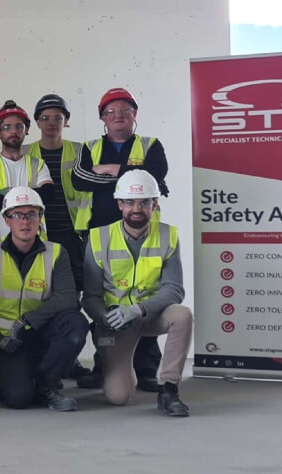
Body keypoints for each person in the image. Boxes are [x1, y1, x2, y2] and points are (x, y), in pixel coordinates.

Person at [71, 88, 171, 391]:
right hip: (99, 232)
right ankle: (105, 366)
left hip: (142, 231)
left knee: (143, 293)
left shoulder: (151, 144)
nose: (118, 116)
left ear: (135, 114)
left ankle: (147, 370)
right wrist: (133, 176)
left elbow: (157, 173)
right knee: (103, 297)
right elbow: (80, 178)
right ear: (102, 117)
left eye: (125, 110)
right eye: (111, 111)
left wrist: (113, 171)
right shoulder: (89, 147)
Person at [0, 187, 86, 411]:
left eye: (31, 214)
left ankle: (48, 385)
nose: (24, 222)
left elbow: (67, 298)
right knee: (18, 399)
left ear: (40, 219)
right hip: (2, 341)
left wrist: (27, 320)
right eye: (17, 215)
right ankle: (14, 381)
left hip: (37, 333)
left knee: (76, 324)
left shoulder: (57, 252)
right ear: (6, 220)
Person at [82, 170, 192, 417]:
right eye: (130, 202)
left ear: (155, 204)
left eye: (144, 202)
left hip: (150, 314)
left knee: (182, 315)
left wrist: (138, 309)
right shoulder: (99, 237)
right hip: (116, 321)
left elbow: (175, 289)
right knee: (118, 396)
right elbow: (90, 296)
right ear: (119, 204)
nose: (137, 208)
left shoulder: (168, 235)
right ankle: (113, 368)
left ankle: (169, 390)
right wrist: (104, 317)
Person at [26, 94, 92, 288]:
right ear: (37, 122)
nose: (51, 123)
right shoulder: (25, 153)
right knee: (40, 286)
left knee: (75, 287)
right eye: (45, 118)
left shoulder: (81, 150)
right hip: (39, 232)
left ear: (67, 121)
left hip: (73, 234)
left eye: (58, 117)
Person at [0, 100, 54, 242]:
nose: (13, 131)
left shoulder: (38, 164)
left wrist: (5, 195)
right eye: (7, 127)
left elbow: (49, 195)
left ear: (26, 130)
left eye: (19, 126)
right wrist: (29, 196)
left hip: (36, 241)